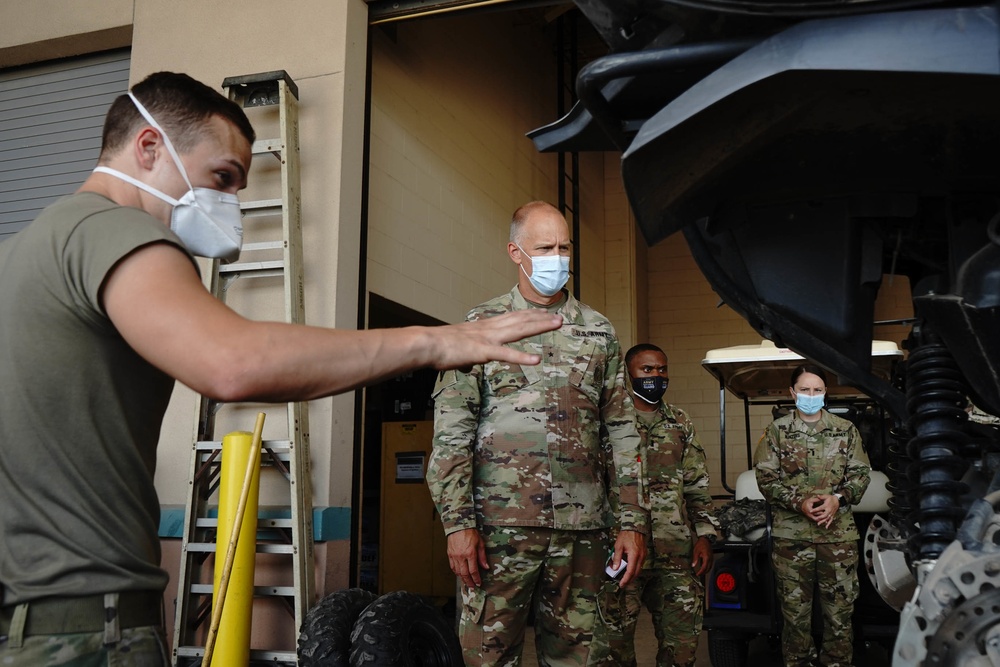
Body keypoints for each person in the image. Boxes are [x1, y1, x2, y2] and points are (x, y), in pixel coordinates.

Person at [0, 72, 563, 666]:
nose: (230, 204)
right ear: (148, 147)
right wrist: (437, 342)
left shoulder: (20, 252)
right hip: (88, 625)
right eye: (222, 178)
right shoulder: (116, 231)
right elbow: (232, 363)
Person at [426, 200, 648, 666]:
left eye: (565, 247)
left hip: (583, 532)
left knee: (580, 658)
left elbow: (622, 430)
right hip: (499, 531)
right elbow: (451, 433)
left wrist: (631, 521)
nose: (558, 257)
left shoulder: (598, 331)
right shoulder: (481, 327)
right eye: (545, 247)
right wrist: (458, 523)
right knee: (487, 658)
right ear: (515, 251)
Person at [593, 343, 719, 667]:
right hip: (619, 554)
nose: (656, 376)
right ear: (628, 374)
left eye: (661, 369)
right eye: (647, 370)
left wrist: (704, 534)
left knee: (682, 648)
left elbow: (697, 485)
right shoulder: (607, 422)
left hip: (675, 555)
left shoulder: (680, 422)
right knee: (612, 650)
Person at [753, 363, 871, 667]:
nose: (811, 395)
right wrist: (799, 503)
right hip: (792, 540)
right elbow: (766, 479)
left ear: (825, 392)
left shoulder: (845, 430)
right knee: (795, 616)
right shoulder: (777, 431)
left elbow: (860, 474)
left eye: (817, 390)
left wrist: (837, 499)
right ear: (793, 393)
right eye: (804, 390)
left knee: (840, 615)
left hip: (838, 538)